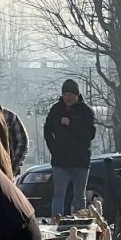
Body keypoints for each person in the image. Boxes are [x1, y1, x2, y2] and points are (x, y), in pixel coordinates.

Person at [43, 78, 97, 217]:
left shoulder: (86, 111)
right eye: (65, 94)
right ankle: (56, 221)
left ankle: (79, 222)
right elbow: (47, 130)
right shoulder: (56, 109)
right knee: (59, 194)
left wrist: (71, 124)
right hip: (60, 161)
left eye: (71, 95)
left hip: (80, 160)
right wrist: (53, 149)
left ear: (77, 95)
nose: (68, 98)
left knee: (80, 195)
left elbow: (90, 134)